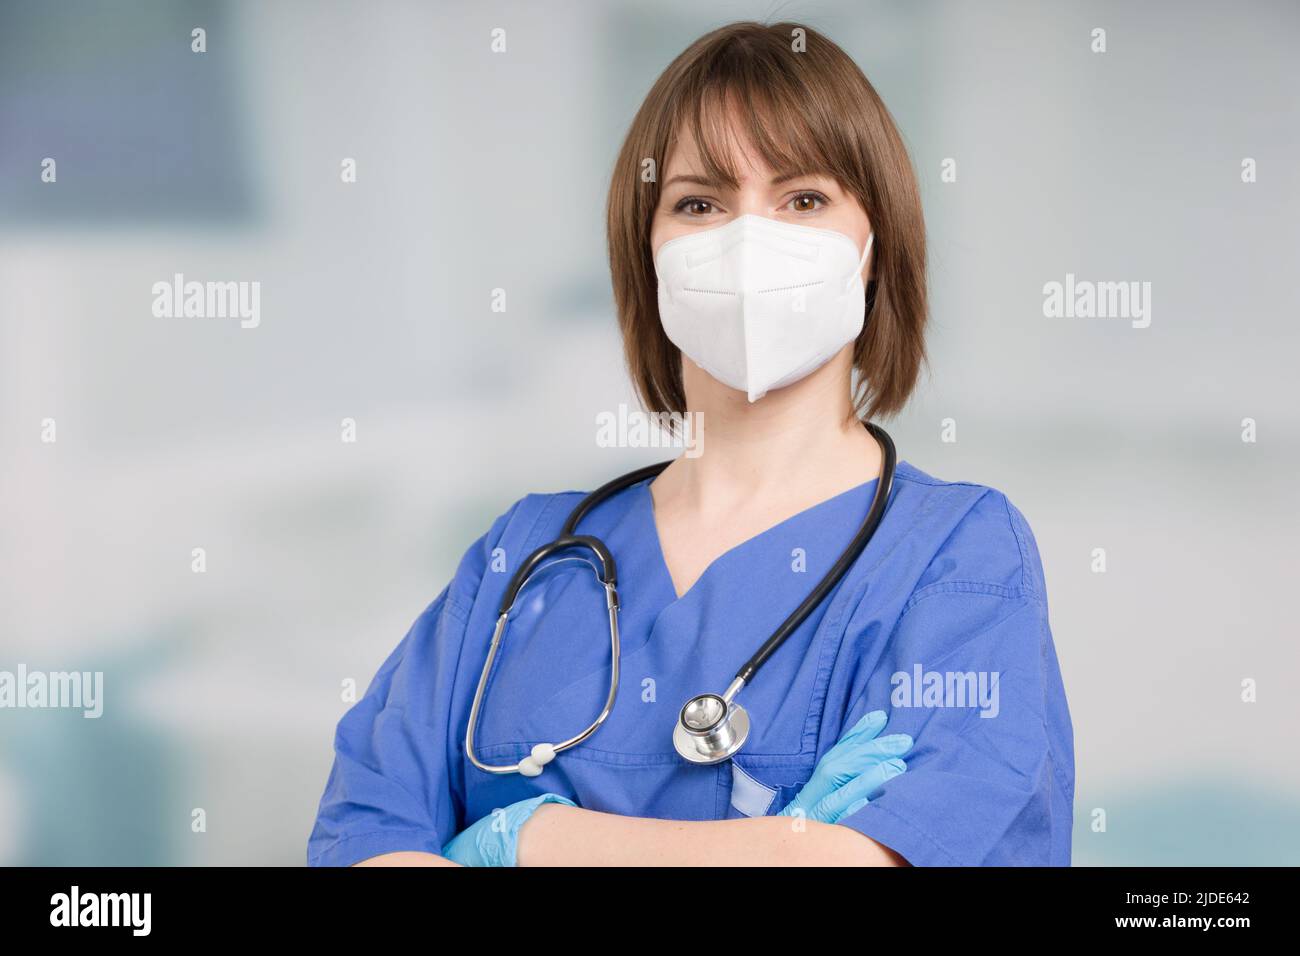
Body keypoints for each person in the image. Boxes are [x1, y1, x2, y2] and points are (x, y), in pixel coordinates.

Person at [308, 20, 1073, 868]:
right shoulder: (524, 556)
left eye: (804, 199)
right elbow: (365, 839)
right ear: (650, 255)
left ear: (871, 248)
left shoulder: (957, 555)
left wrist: (525, 838)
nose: (748, 240)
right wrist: (779, 847)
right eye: (699, 204)